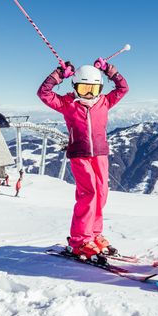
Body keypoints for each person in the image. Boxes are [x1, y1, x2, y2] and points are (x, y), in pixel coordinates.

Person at [37, 58, 128, 260]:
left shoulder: (104, 101)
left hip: (101, 154)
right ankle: (79, 241)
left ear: (100, 89)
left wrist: (109, 71)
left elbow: (123, 88)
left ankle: (94, 235)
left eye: (93, 89)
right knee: (89, 194)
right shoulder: (68, 104)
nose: (88, 94)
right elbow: (44, 93)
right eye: (84, 88)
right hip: (80, 154)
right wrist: (59, 74)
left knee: (101, 194)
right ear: (75, 86)